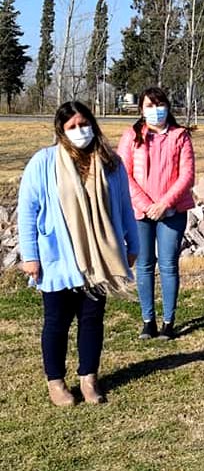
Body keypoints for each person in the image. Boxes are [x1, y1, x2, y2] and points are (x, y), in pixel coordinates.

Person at [18, 101, 139, 406]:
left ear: (93, 124)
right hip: (58, 256)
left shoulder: (112, 162)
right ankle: (56, 382)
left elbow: (125, 207)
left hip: (100, 257)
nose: (79, 131)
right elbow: (27, 211)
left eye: (83, 124)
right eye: (72, 127)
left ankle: (89, 378)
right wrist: (30, 255)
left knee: (92, 319)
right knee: (57, 321)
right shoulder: (43, 162)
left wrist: (133, 245)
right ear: (61, 130)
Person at [117, 87, 195, 341]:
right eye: (149, 106)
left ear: (168, 107)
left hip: (172, 211)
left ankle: (168, 322)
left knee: (169, 264)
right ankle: (148, 320)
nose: (155, 110)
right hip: (140, 212)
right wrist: (146, 204)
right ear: (141, 109)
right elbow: (123, 174)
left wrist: (164, 204)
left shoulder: (180, 136)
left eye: (159, 105)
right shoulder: (131, 136)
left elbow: (187, 175)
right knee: (144, 264)